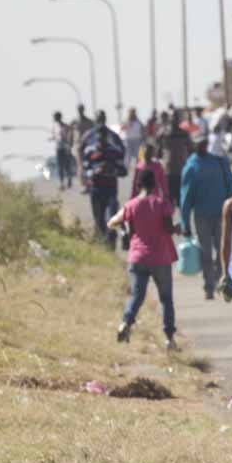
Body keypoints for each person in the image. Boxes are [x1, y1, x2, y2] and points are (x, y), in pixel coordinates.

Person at [108, 168, 179, 350]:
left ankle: (126, 323)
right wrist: (177, 229)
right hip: (160, 258)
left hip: (137, 257)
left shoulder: (131, 205)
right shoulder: (162, 203)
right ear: (155, 184)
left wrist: (124, 230)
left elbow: (112, 222)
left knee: (137, 296)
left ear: (138, 185)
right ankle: (169, 339)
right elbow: (168, 227)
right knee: (166, 299)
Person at [180, 130, 232, 300]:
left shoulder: (219, 162)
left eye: (204, 142)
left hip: (222, 215)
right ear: (194, 145)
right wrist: (185, 224)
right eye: (199, 143)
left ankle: (222, 280)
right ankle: (208, 286)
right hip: (202, 216)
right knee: (205, 253)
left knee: (222, 250)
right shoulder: (191, 166)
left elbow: (230, 187)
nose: (202, 145)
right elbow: (186, 197)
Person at [80, 111, 126, 244]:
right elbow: (85, 167)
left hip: (111, 189)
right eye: (99, 136)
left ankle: (112, 240)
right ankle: (102, 245)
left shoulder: (114, 150)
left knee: (111, 219)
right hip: (95, 189)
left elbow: (122, 169)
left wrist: (112, 170)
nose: (100, 138)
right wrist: (94, 172)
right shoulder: (90, 149)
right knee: (99, 221)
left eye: (103, 136)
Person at [163, 110, 191, 208]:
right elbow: (157, 151)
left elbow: (190, 149)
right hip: (169, 171)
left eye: (175, 118)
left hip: (181, 170)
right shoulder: (164, 133)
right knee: (169, 200)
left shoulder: (184, 134)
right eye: (172, 118)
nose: (174, 120)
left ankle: (182, 222)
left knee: (181, 200)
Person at [52, 111, 75, 191]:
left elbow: (70, 135)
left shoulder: (66, 126)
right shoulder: (54, 126)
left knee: (67, 165)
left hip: (65, 148)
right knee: (60, 166)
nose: (54, 119)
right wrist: (52, 138)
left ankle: (69, 179)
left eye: (56, 117)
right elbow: (54, 136)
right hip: (58, 148)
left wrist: (69, 144)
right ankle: (61, 183)